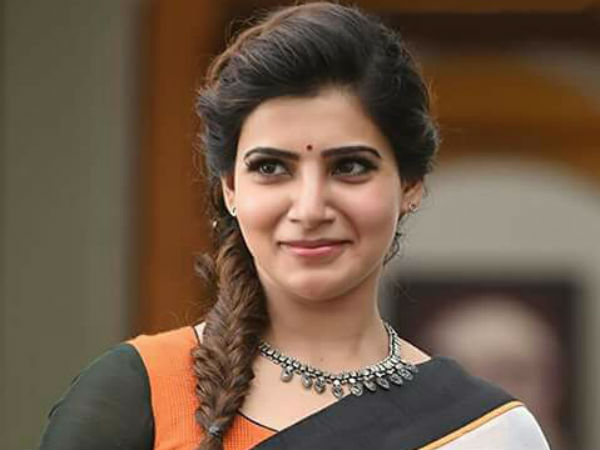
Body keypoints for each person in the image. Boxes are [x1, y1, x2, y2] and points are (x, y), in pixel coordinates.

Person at [37, 2, 551, 449]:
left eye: (349, 166)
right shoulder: (139, 394)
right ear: (230, 189)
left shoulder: (485, 434)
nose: (309, 208)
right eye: (270, 167)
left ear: (410, 185)